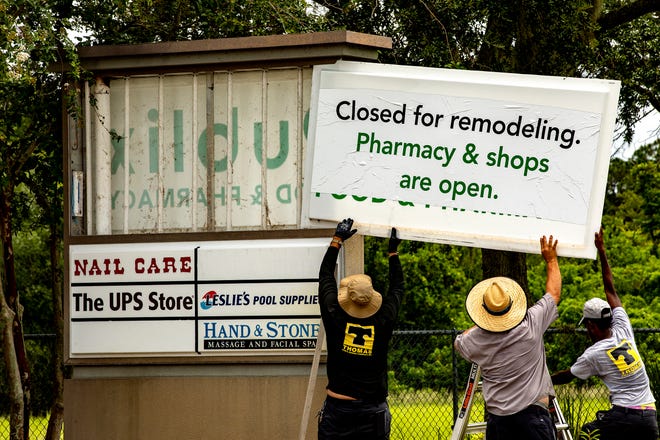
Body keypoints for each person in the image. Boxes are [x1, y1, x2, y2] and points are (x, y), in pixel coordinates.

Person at [551, 228, 658, 440]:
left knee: (588, 433)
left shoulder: (594, 353)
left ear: (591, 325)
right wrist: (602, 250)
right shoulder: (623, 328)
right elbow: (611, 291)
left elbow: (567, 376)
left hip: (625, 416)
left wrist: (543, 379)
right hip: (650, 417)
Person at [454, 234, 561, 440]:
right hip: (533, 417)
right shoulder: (531, 325)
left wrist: (482, 324)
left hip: (498, 421)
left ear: (483, 312)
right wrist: (551, 260)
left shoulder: (476, 340)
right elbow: (553, 293)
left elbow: (459, 341)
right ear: (511, 305)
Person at [316, 218, 404, 440]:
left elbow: (325, 276)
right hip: (372, 411)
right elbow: (397, 288)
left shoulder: (334, 315)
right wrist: (393, 253)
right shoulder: (384, 319)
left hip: (338, 410)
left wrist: (337, 240)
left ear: (347, 298)